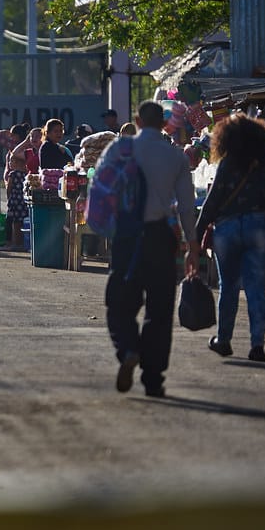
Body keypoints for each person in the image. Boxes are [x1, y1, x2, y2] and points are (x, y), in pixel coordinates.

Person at [102, 101, 199, 398]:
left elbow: (104, 192)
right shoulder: (176, 157)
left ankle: (129, 348)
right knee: (159, 309)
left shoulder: (118, 150)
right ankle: (153, 379)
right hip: (161, 237)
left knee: (119, 302)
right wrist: (192, 247)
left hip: (128, 237)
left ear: (137, 120)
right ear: (165, 123)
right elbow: (186, 205)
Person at [195, 114, 265, 362]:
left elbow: (212, 201)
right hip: (259, 226)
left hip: (227, 228)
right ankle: (257, 345)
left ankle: (224, 340)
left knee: (228, 286)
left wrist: (195, 238)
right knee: (255, 287)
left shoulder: (227, 163)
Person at [0, 123, 31, 251]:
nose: (10, 138)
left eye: (13, 135)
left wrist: (8, 194)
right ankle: (15, 242)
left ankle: (15, 243)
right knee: (15, 219)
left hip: (16, 192)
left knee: (15, 219)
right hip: (14, 188)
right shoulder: (14, 148)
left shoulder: (21, 150)